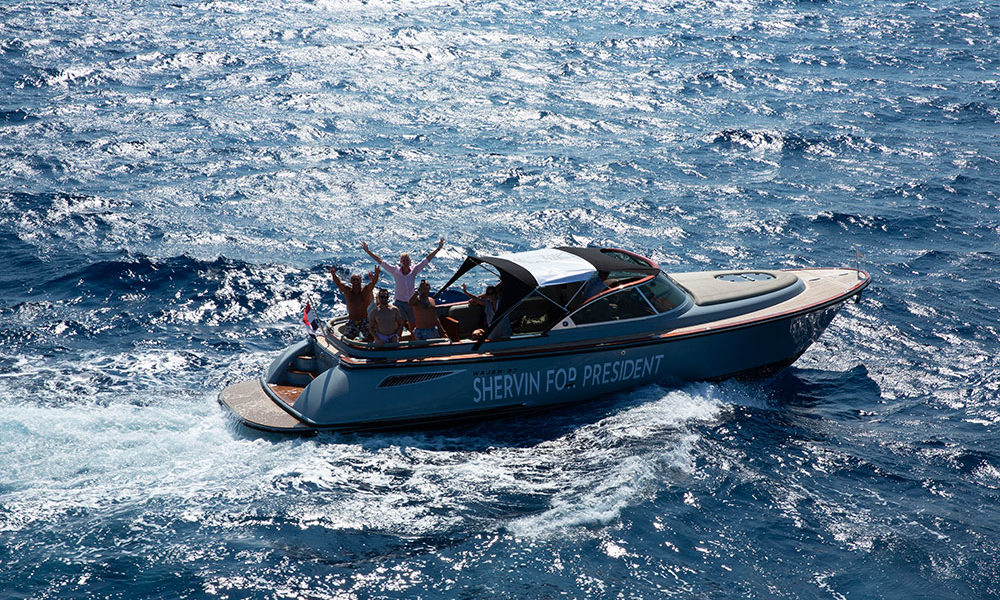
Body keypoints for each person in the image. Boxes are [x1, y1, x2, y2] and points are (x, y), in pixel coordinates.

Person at [361, 237, 444, 332]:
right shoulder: (395, 270)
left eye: (407, 260)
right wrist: (368, 251)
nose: (405, 262)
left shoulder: (414, 270)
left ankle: (414, 342)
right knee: (399, 325)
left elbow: (426, 260)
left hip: (411, 302)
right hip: (399, 302)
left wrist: (438, 249)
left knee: (413, 325)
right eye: (403, 260)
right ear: (400, 262)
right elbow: (380, 261)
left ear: (410, 261)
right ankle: (398, 342)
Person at [329, 265, 380, 340]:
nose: (355, 281)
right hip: (353, 321)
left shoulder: (365, 290)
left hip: (364, 320)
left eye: (357, 279)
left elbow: (373, 283)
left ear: (361, 280)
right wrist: (333, 274)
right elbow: (338, 283)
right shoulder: (347, 291)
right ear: (351, 281)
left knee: (373, 338)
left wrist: (376, 274)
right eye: (353, 279)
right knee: (347, 340)